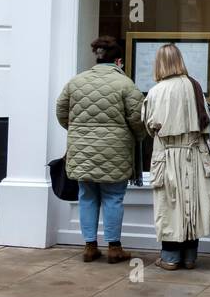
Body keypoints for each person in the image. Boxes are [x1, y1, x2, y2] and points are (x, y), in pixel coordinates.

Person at [56, 36, 147, 263]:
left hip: (82, 150)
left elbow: (61, 112)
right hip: (115, 151)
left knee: (86, 196)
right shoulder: (126, 84)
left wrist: (77, 130)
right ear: (118, 61)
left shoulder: (76, 82)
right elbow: (138, 119)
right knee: (113, 197)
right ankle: (114, 248)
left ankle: (89, 246)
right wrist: (137, 137)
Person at [142, 43, 210, 270]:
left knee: (169, 205)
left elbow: (149, 125)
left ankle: (171, 257)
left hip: (167, 153)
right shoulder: (194, 86)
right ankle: (190, 257)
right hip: (194, 153)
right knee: (193, 203)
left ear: (159, 64)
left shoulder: (156, 91)